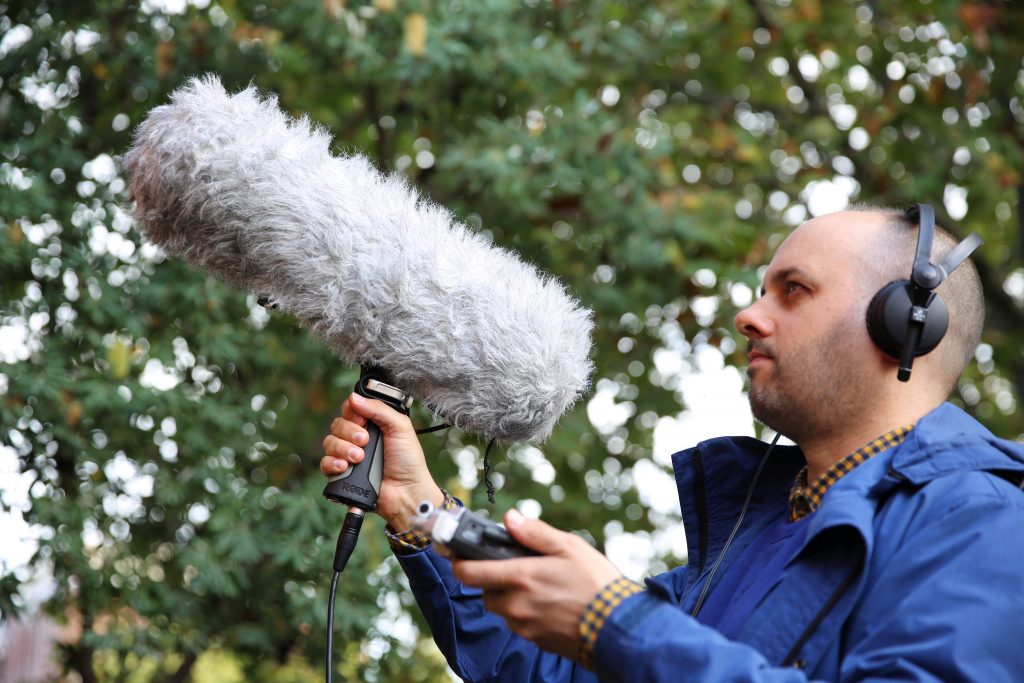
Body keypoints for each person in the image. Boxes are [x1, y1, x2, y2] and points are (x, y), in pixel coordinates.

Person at [319, 206, 1024, 682]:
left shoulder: (986, 523)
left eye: (794, 290)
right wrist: (419, 509)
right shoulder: (754, 531)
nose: (748, 314)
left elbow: (626, 638)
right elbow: (556, 670)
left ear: (905, 324)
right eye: (759, 290)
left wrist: (615, 620)